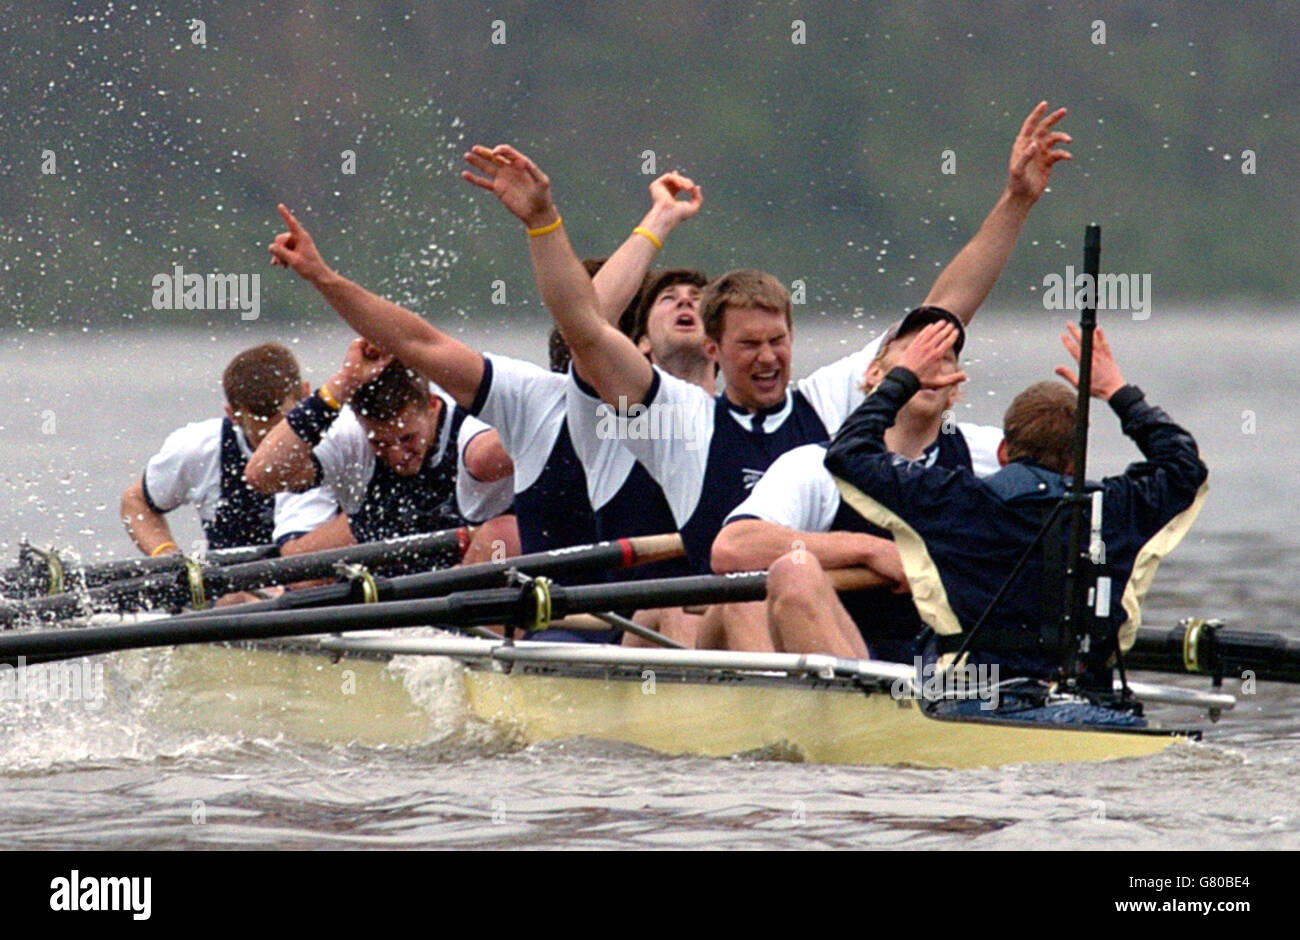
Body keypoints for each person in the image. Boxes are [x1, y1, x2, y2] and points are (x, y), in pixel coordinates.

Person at [475, 100, 1071, 647]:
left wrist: (1017, 199)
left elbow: (944, 312)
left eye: (778, 342)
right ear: (712, 348)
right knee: (741, 591)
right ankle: (783, 728)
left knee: (788, 578)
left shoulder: (831, 401)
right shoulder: (680, 423)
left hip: (808, 617)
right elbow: (585, 331)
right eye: (749, 346)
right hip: (703, 631)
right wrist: (542, 223)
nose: (767, 358)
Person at [823, 320, 1209, 678]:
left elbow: (849, 454)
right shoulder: (1115, 509)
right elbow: (1185, 465)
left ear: (1004, 452)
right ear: (1077, 462)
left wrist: (902, 379)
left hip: (976, 707)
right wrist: (1119, 393)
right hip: (1093, 709)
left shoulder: (951, 501)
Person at [712, 307, 1003, 660]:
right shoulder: (815, 465)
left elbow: (1071, 491)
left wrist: (1093, 393)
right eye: (917, 352)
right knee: (790, 572)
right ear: (874, 374)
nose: (930, 363)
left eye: (944, 357)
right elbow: (732, 549)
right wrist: (870, 549)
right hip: (851, 655)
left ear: (955, 389)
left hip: (951, 668)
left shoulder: (986, 455)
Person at [244, 339, 515, 561]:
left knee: (504, 535)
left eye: (407, 438)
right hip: (382, 608)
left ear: (432, 405)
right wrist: (342, 385)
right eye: (380, 443)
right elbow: (262, 475)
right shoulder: (351, 436)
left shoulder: (472, 431)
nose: (398, 456)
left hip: (471, 599)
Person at [120, 342, 338, 557]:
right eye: (265, 437)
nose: (276, 452)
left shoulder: (341, 441)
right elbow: (136, 503)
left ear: (306, 394)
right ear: (232, 414)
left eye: (290, 429)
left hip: (325, 584)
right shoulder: (199, 448)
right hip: (234, 589)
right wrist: (165, 553)